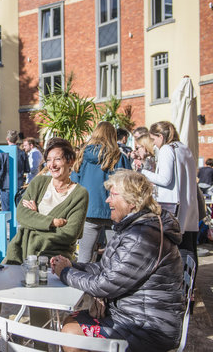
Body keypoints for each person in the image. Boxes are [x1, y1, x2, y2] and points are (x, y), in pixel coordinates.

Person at [52, 170, 185, 352]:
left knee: (71, 334)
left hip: (148, 329)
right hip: (133, 315)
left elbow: (106, 284)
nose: (107, 200)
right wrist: (72, 265)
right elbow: (108, 269)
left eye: (113, 195)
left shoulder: (142, 237)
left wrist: (66, 273)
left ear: (131, 202)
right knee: (71, 319)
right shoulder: (137, 229)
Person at [0, 138, 89, 348]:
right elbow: (21, 214)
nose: (53, 165)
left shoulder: (80, 194)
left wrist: (35, 221)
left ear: (70, 161)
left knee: (38, 300)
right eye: (49, 160)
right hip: (19, 251)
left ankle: (41, 346)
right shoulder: (39, 183)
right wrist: (51, 222)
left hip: (52, 257)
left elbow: (69, 234)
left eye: (58, 159)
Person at [71, 121, 131, 263]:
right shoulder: (119, 157)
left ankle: (81, 282)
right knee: (114, 256)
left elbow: (74, 183)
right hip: (114, 210)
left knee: (84, 256)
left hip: (88, 210)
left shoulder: (82, 156)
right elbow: (128, 184)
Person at [142, 121, 199, 266]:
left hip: (173, 205)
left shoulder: (167, 149)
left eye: (154, 139)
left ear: (160, 136)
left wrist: (142, 172)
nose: (154, 144)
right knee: (189, 246)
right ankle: (190, 284)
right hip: (189, 203)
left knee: (178, 247)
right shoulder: (184, 148)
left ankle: (182, 284)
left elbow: (165, 179)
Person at [0, 130, 29, 211]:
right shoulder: (22, 153)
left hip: (5, 185)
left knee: (6, 211)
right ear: (17, 140)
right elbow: (27, 169)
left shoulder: (2, 153)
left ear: (7, 139)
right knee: (17, 210)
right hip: (18, 184)